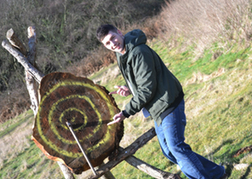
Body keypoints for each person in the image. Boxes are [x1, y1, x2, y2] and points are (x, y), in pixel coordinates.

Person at [96, 24, 226, 179]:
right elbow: (143, 79)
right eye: (107, 44)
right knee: (170, 151)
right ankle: (217, 173)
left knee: (176, 148)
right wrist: (129, 88)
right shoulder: (122, 53)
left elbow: (146, 90)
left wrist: (125, 112)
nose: (112, 44)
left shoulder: (138, 52)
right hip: (157, 107)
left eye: (113, 38)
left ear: (119, 32)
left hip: (168, 102)